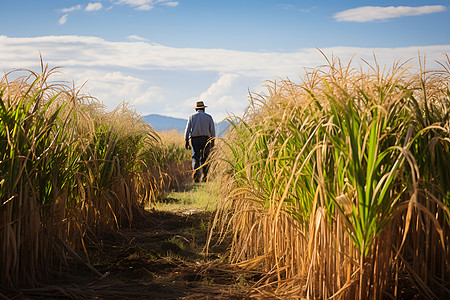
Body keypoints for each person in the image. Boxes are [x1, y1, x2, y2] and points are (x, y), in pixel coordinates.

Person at [184, 101, 215, 182]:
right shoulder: (209, 117)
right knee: (206, 158)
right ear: (203, 109)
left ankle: (196, 178)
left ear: (196, 109)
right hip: (206, 139)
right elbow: (212, 130)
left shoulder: (191, 117)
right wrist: (213, 141)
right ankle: (205, 177)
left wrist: (186, 141)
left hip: (195, 139)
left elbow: (187, 130)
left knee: (195, 158)